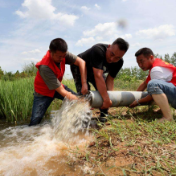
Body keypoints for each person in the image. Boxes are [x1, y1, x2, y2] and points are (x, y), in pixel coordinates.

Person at [29, 38, 88, 126]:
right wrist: (81, 100)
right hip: (43, 93)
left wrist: (84, 83)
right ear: (50, 52)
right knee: (35, 122)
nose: (62, 58)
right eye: (59, 56)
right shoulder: (45, 67)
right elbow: (62, 91)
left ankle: (80, 125)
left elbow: (81, 62)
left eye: (63, 56)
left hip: (58, 86)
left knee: (76, 103)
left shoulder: (63, 54)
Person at [71, 38, 129, 122]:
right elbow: (98, 76)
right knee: (84, 92)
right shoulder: (98, 50)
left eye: (117, 57)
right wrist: (106, 99)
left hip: (95, 71)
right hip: (79, 66)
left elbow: (110, 79)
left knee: (103, 90)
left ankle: (104, 113)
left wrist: (108, 99)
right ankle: (83, 116)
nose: (112, 59)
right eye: (111, 54)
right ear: (109, 47)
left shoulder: (119, 62)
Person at [130, 47, 176, 122]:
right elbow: (144, 83)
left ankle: (168, 118)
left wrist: (138, 102)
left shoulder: (156, 70)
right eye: (138, 63)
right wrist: (133, 96)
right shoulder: (156, 64)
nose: (140, 65)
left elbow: (153, 93)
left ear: (151, 57)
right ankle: (163, 110)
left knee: (153, 84)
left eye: (142, 61)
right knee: (153, 84)